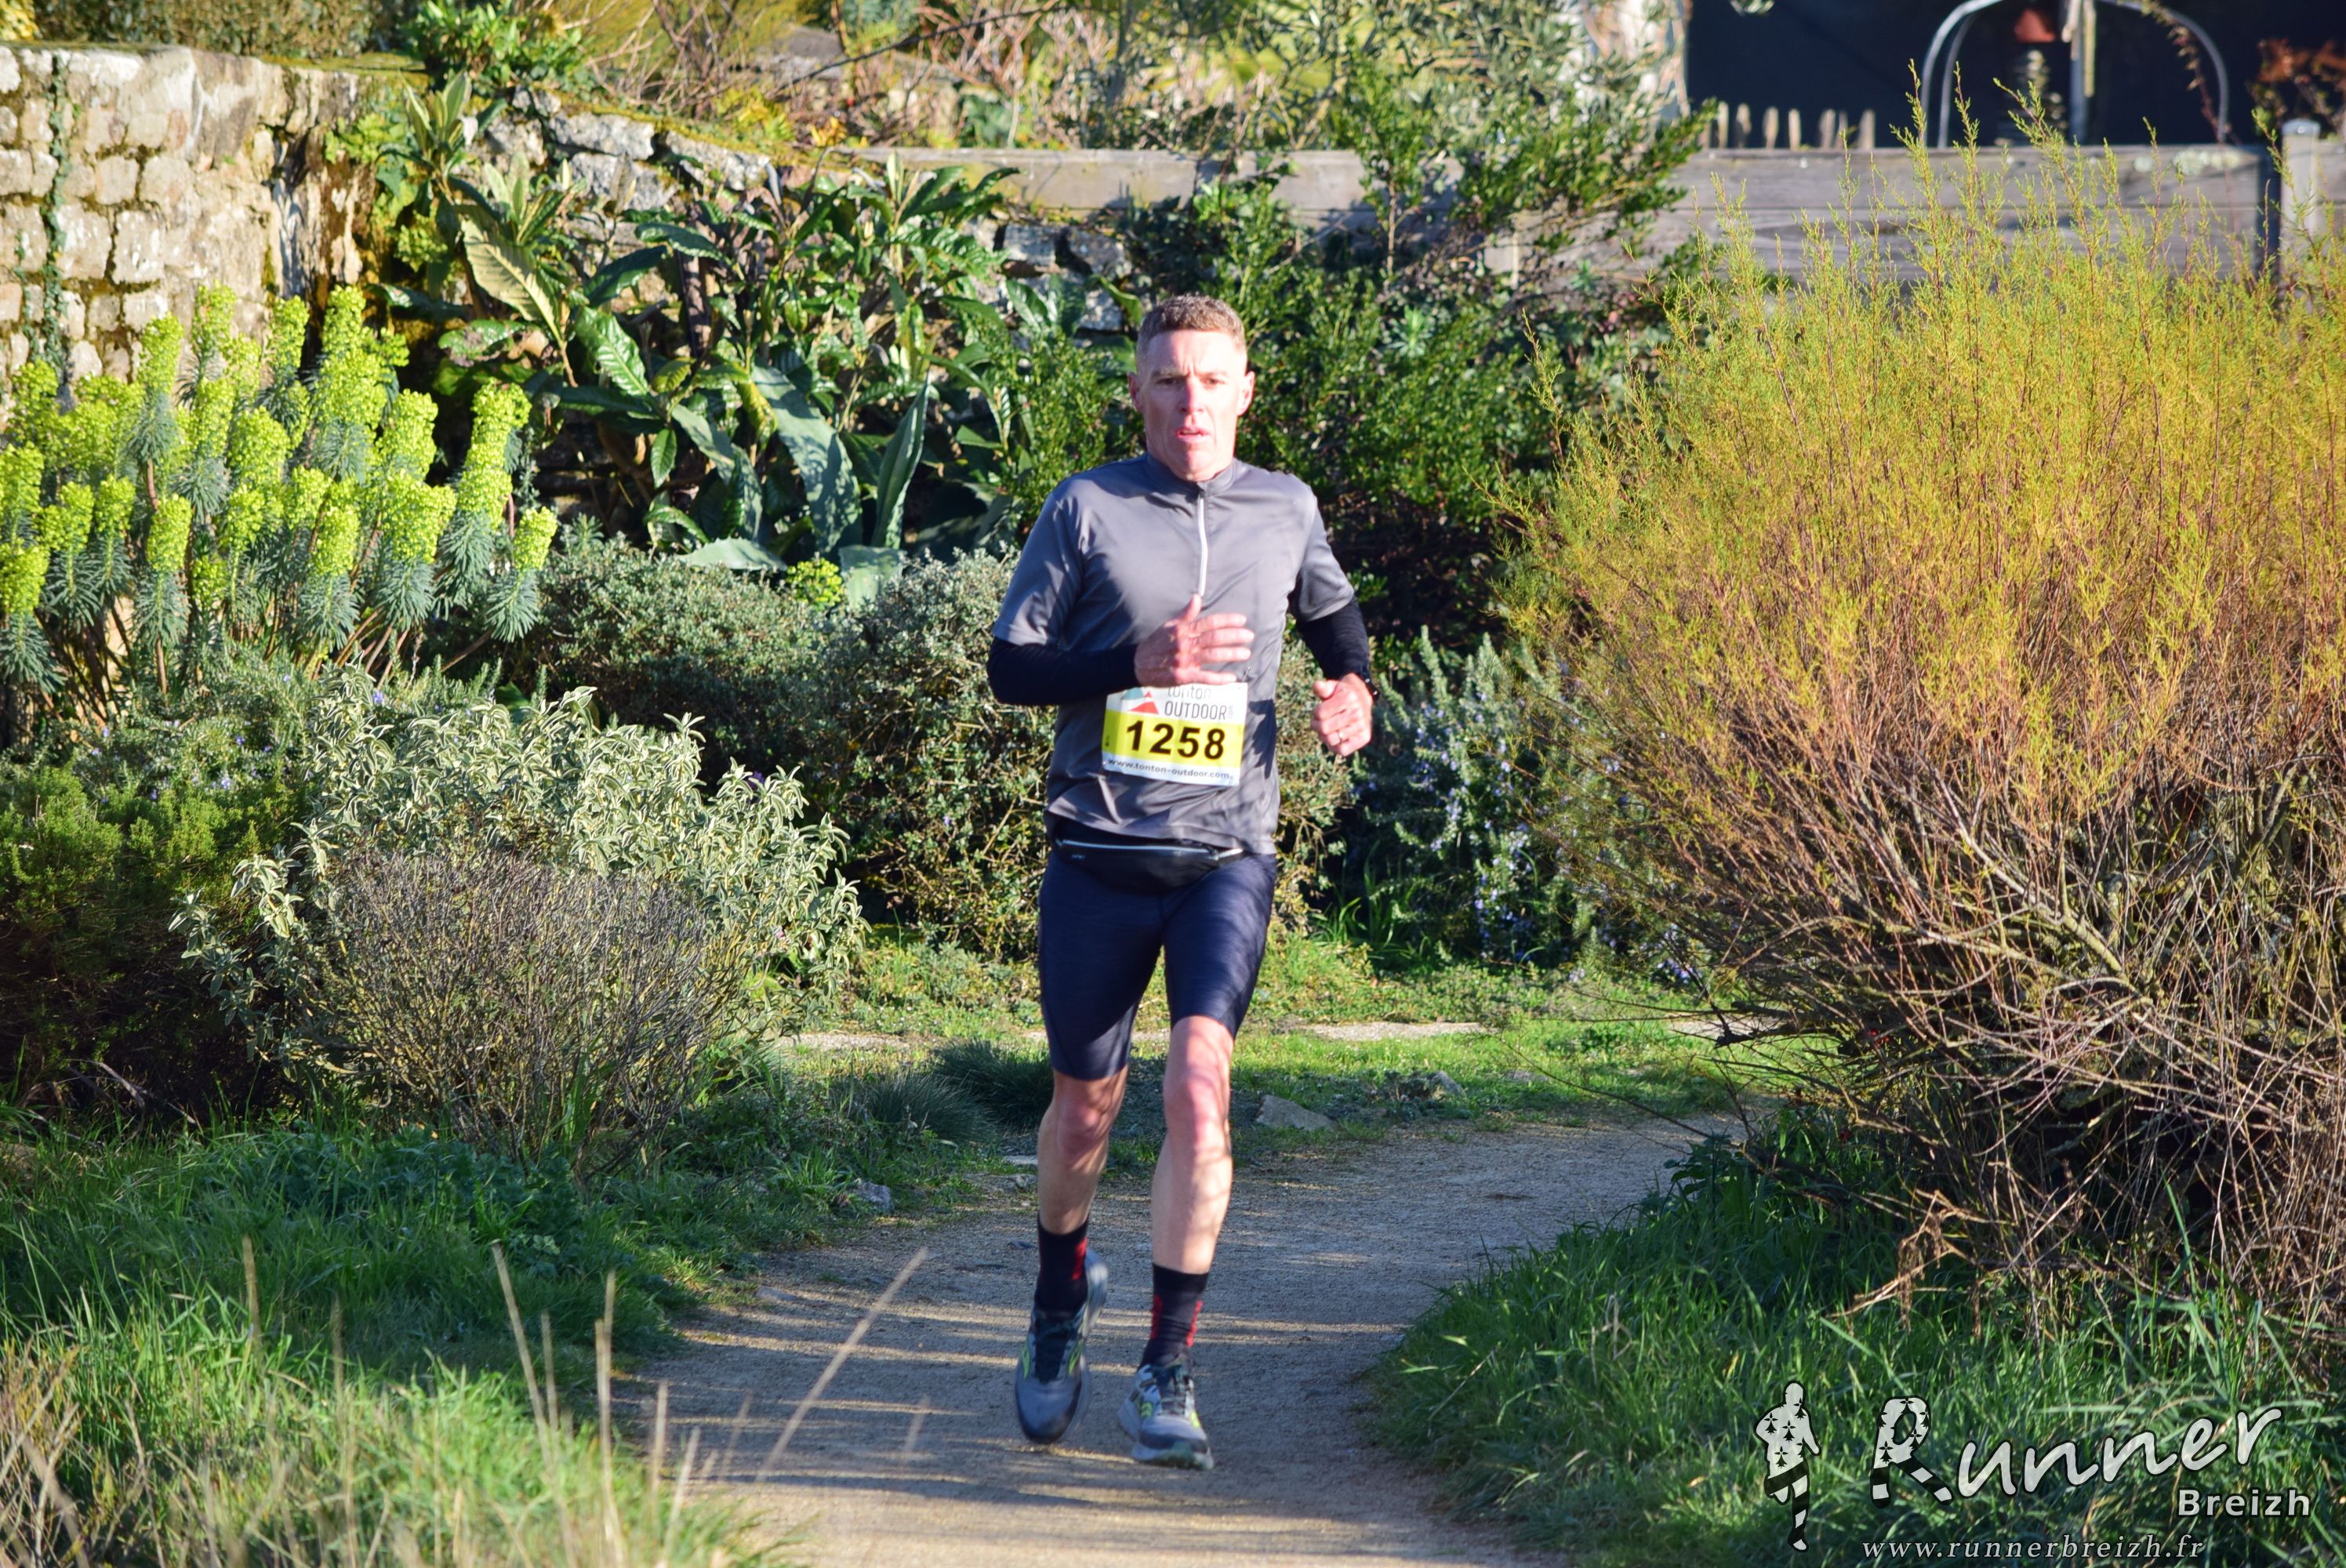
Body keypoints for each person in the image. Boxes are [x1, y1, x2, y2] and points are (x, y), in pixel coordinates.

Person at [988, 293, 1375, 1470]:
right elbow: (1012, 667)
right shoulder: (1087, 506)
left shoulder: (1285, 506)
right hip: (1099, 855)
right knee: (1084, 1110)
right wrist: (1132, 663)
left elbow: (1336, 616)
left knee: (1201, 1090)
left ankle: (1166, 1369)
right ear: (1140, 395)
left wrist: (1353, 691)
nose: (1191, 402)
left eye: (1212, 380)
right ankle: (1060, 1296)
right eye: (1169, 381)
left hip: (1225, 858)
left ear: (1245, 392)